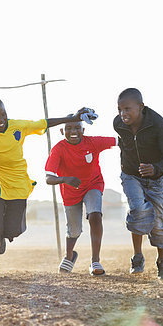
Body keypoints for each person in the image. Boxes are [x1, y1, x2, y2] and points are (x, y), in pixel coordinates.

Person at [0, 95, 97, 280]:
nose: (0, 120)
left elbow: (43, 123)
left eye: (3, 115)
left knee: (13, 230)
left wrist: (72, 118)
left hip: (17, 184)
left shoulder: (18, 126)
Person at [114, 88, 163, 280]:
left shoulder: (159, 125)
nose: (122, 114)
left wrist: (156, 168)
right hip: (130, 175)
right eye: (119, 109)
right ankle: (137, 256)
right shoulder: (118, 124)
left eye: (127, 109)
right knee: (138, 209)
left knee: (158, 221)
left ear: (141, 107)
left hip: (155, 178)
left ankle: (162, 261)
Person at [45, 115, 115, 276]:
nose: (73, 131)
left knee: (95, 215)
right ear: (62, 131)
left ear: (83, 130)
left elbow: (118, 140)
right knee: (74, 230)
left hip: (93, 184)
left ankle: (95, 261)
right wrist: (65, 179)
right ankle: (69, 255)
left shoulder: (93, 142)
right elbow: (49, 178)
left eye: (77, 128)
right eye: (69, 128)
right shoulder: (58, 149)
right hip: (70, 192)